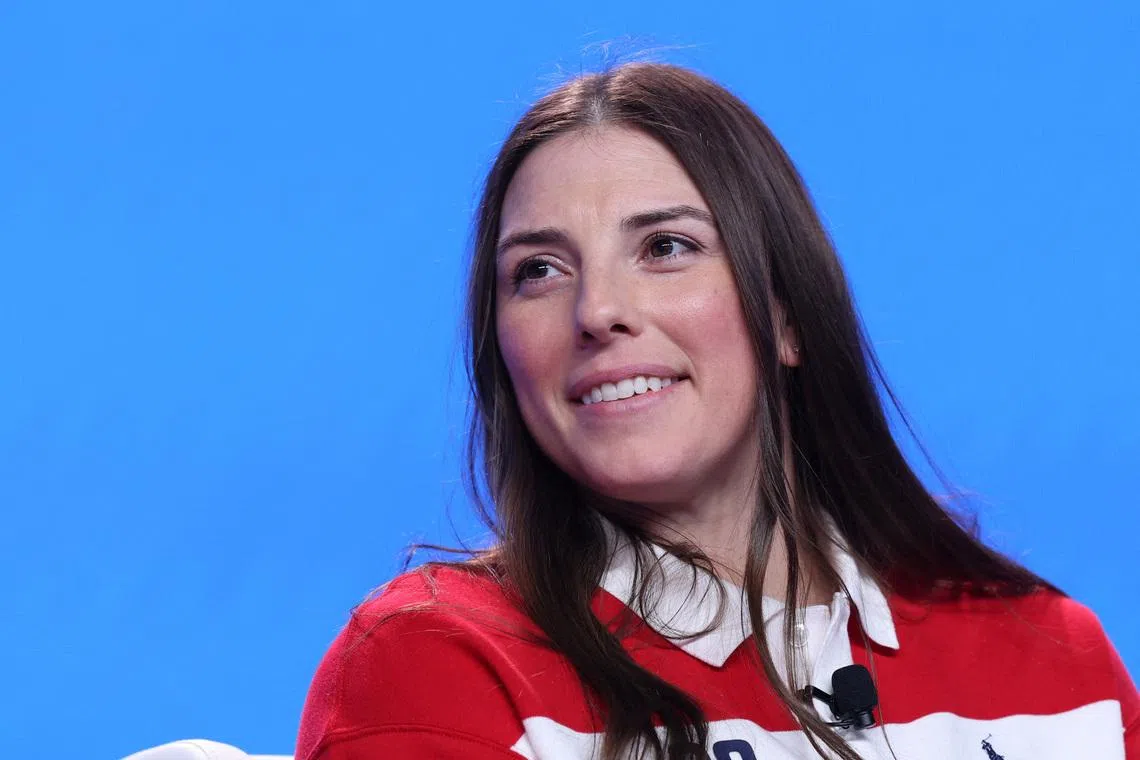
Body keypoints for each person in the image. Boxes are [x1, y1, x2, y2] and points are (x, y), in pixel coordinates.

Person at [295, 62, 1138, 760]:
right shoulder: (436, 664)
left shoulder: (1057, 664)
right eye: (539, 271)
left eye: (666, 248)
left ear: (787, 314)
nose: (598, 311)